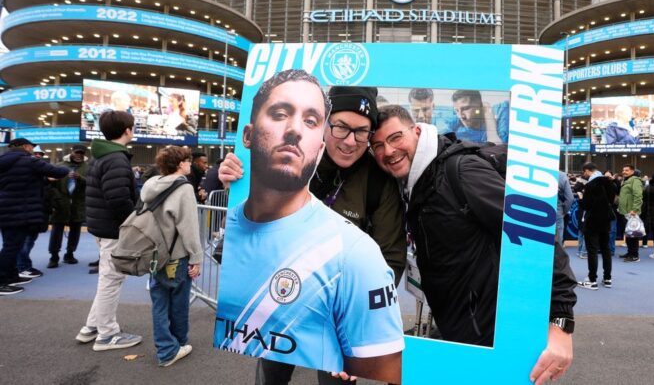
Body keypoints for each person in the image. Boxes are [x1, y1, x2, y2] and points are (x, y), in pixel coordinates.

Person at [214, 69, 403, 383]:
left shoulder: (378, 183)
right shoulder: (291, 160)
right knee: (271, 377)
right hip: (277, 305)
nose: (350, 141)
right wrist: (238, 183)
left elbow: (390, 261)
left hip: (337, 318)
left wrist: (357, 326)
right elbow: (251, 230)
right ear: (326, 125)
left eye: (362, 132)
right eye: (341, 127)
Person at [371, 105, 576, 383]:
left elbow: (535, 236)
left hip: (490, 338)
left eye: (396, 137)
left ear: (416, 131)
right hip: (459, 332)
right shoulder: (416, 182)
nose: (388, 151)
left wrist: (561, 323)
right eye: (378, 145)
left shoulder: (460, 170)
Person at [78, 110, 143, 350]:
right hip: (114, 229)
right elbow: (118, 199)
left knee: (107, 278)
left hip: (103, 227)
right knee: (111, 280)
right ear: (127, 130)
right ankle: (107, 334)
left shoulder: (103, 155)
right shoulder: (115, 158)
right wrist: (133, 224)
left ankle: (92, 327)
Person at [141, 146, 202, 366]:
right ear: (180, 164)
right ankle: (173, 346)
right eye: (188, 160)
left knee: (159, 302)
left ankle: (166, 346)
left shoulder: (150, 185)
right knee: (178, 302)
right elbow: (189, 227)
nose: (190, 164)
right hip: (176, 255)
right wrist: (196, 258)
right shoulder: (183, 188)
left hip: (154, 253)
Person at [0, 138, 69, 295]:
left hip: (6, 208)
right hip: (20, 210)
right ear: (25, 147)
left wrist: (42, 179)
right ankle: (2, 281)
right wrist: (65, 167)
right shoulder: (29, 161)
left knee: (11, 245)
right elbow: (59, 172)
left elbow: (18, 180)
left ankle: (11, 276)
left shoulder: (3, 161)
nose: (33, 149)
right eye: (32, 147)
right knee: (11, 247)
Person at [47, 144, 89, 268]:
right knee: (56, 232)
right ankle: (54, 256)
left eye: (81, 153)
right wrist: (56, 200)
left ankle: (69, 254)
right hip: (60, 204)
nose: (79, 155)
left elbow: (92, 183)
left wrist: (80, 178)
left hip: (79, 205)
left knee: (75, 232)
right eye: (77, 152)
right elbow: (51, 186)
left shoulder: (88, 168)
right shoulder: (59, 166)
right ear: (72, 152)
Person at [576, 162, 616, 289]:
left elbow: (586, 205)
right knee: (606, 249)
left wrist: (581, 197)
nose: (584, 175)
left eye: (584, 173)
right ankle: (607, 278)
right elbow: (611, 200)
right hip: (606, 220)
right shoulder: (609, 183)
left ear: (588, 171)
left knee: (592, 250)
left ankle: (592, 280)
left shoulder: (590, 185)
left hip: (593, 220)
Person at [617, 164, 643, 262]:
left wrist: (635, 210)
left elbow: (638, 196)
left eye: (627, 170)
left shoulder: (635, 180)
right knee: (628, 234)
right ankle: (630, 252)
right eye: (623, 170)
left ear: (632, 171)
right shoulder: (626, 180)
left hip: (631, 212)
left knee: (633, 235)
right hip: (625, 212)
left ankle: (635, 255)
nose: (624, 171)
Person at [555, 171, 574, 247]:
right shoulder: (561, 175)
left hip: (537, 211)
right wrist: (564, 212)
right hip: (557, 211)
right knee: (558, 239)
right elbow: (570, 198)